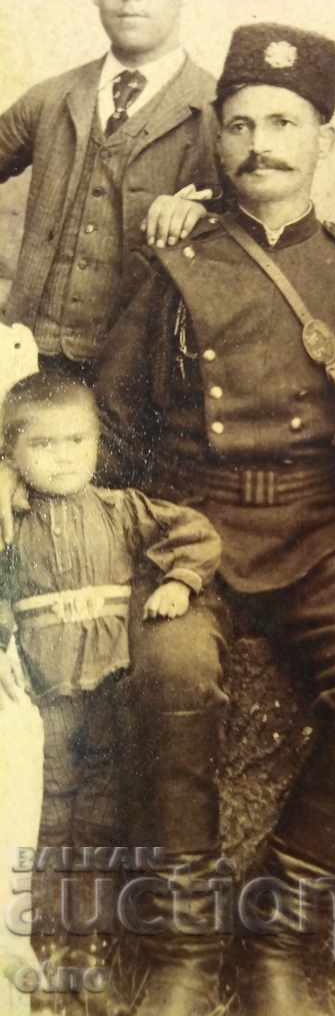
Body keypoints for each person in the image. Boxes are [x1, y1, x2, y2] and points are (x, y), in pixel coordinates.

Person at [91, 21, 335, 1016]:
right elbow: (114, 426)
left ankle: (279, 934)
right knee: (171, 674)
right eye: (243, 123)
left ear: (324, 141)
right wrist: (144, 526)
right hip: (193, 529)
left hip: (327, 534)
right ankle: (184, 942)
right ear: (218, 136)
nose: (262, 143)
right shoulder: (172, 266)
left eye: (286, 124)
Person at [0, 372, 221, 1014]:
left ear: (98, 443)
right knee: (47, 823)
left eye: (77, 441)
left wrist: (179, 581)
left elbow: (198, 535)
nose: (64, 457)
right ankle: (42, 955)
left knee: (98, 823)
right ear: (12, 454)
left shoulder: (122, 508)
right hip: (47, 707)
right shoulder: (11, 524)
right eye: (43, 446)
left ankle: (87, 951)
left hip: (107, 696)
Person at [0, 0, 220, 384]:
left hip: (139, 372)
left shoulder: (218, 111)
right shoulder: (53, 96)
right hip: (28, 354)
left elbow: (256, 230)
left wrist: (205, 215)